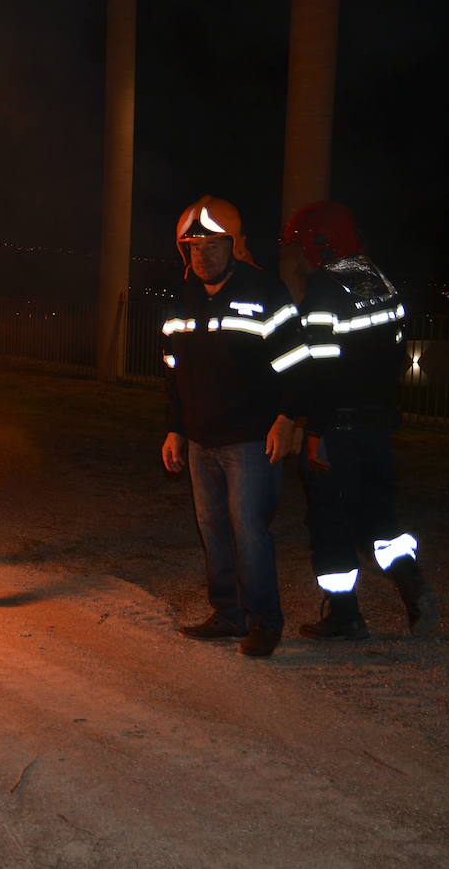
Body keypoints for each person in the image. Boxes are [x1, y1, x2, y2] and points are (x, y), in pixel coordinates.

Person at [277, 200, 439, 640]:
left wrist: (313, 428)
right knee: (379, 514)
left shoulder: (325, 291)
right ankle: (411, 582)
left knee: (330, 521)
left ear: (320, 245)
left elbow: (320, 366)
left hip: (337, 428)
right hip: (377, 425)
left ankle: (345, 616)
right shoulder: (380, 280)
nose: (294, 258)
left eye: (297, 249)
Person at [160, 195, 302, 657]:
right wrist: (175, 428)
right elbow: (173, 370)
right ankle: (227, 614)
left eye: (214, 245)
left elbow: (297, 363)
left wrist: (287, 419)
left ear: (235, 245)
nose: (203, 255)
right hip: (200, 439)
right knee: (214, 530)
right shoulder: (182, 298)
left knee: (249, 532)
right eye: (194, 247)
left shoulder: (266, 292)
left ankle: (265, 622)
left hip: (250, 439)